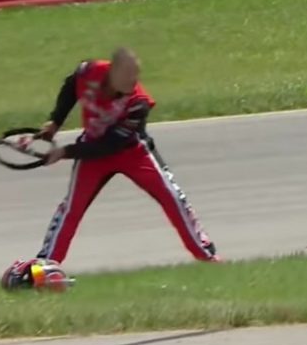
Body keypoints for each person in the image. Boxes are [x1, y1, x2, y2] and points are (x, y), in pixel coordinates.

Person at [33, 47, 220, 264]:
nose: (123, 95)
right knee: (71, 208)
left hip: (132, 152)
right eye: (119, 91)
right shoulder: (88, 71)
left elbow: (112, 144)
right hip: (92, 146)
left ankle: (207, 256)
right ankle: (45, 265)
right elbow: (71, 86)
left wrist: (65, 152)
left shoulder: (139, 103)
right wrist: (55, 122)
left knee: (173, 198)